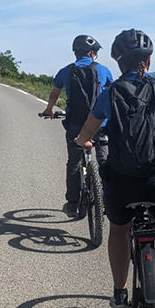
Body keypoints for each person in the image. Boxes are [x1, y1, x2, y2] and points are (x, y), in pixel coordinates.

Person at [74, 29, 155, 308]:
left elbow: (87, 132)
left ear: (119, 63)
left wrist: (83, 142)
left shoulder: (109, 94)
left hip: (122, 183)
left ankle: (119, 293)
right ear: (148, 60)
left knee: (118, 229)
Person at [41, 35, 114, 217]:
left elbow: (54, 93)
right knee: (105, 161)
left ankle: (72, 204)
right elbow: (113, 96)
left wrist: (49, 109)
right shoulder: (104, 71)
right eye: (95, 53)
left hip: (75, 125)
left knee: (73, 163)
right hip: (100, 126)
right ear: (91, 53)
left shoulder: (65, 71)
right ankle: (109, 200)